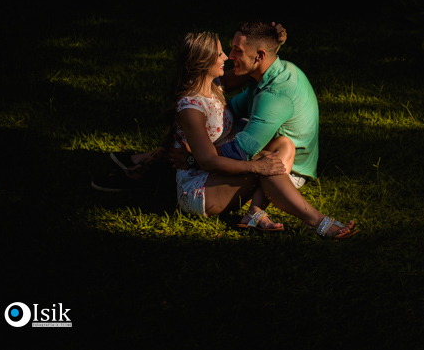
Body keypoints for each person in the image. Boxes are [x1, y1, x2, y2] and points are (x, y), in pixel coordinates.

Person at [103, 27, 355, 238]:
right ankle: (316, 221)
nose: (227, 56)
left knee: (284, 146)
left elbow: (255, 66)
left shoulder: (216, 85)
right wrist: (255, 166)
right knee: (266, 165)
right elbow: (208, 161)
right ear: (203, 63)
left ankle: (254, 213)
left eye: (234, 50)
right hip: (200, 189)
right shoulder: (191, 107)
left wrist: (273, 42)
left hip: (214, 168)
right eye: (221, 53)